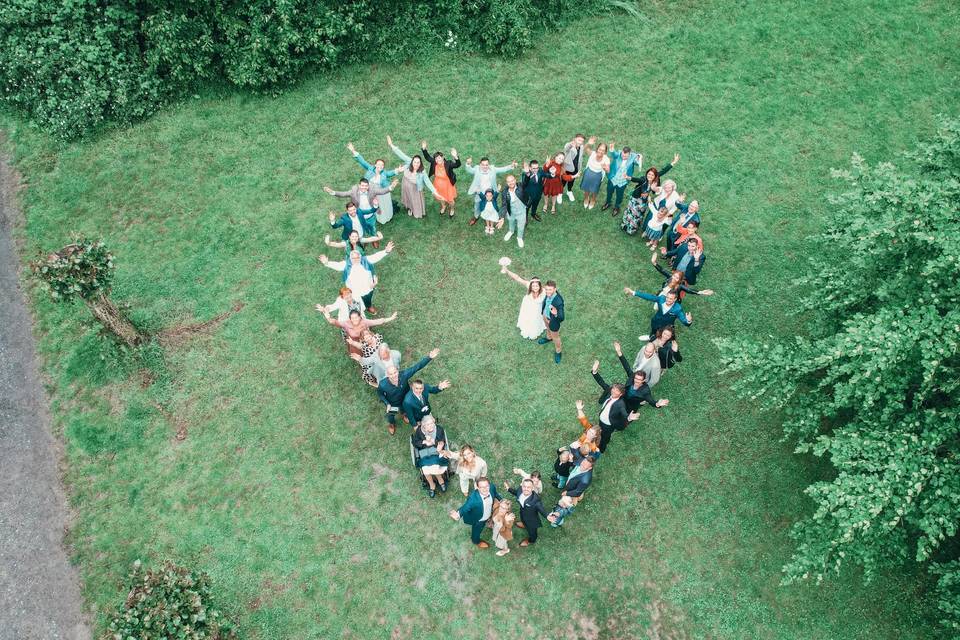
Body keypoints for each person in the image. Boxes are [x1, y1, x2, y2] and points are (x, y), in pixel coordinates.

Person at [376, 348, 440, 435]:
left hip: (406, 399)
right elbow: (380, 394)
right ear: (387, 375)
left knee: (406, 410)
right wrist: (387, 403)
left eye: (395, 372)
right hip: (393, 403)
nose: (394, 375)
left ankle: (404, 415)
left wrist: (429, 357)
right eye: (391, 374)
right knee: (391, 415)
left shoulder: (404, 375)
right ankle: (391, 424)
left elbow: (417, 367)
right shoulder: (383, 384)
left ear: (398, 371)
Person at [318, 242, 395, 314]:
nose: (355, 260)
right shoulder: (346, 265)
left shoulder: (366, 260)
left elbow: (376, 256)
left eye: (357, 257)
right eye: (353, 258)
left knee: (368, 298)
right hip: (354, 292)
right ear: (350, 259)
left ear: (360, 257)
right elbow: (337, 265)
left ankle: (369, 306)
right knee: (356, 304)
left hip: (368, 288)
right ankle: (359, 312)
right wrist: (327, 263)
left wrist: (386, 251)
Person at [387, 136, 446, 218]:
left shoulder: (422, 172)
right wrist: (391, 145)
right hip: (406, 184)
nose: (416, 164)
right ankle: (409, 208)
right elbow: (401, 154)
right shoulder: (409, 162)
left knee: (415, 201)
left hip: (415, 189)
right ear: (412, 161)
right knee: (408, 198)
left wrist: (436, 193)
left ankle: (416, 211)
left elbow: (428, 183)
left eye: (418, 163)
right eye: (415, 162)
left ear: (420, 163)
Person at [324, 178, 399, 242]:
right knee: (361, 229)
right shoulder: (354, 192)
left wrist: (391, 187)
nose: (364, 187)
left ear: (368, 186)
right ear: (359, 185)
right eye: (362, 185)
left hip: (371, 215)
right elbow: (343, 194)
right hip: (359, 215)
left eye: (366, 186)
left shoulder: (372, 191)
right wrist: (332, 192)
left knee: (372, 228)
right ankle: (364, 240)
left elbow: (382, 191)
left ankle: (374, 239)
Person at [346, 142, 404, 225]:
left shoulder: (384, 173)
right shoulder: (370, 169)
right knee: (375, 205)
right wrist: (353, 150)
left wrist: (398, 170)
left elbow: (391, 173)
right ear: (375, 164)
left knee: (385, 205)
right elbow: (362, 161)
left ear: (383, 167)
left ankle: (387, 216)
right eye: (379, 164)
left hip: (382, 193)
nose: (380, 166)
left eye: (382, 165)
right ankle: (379, 218)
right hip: (372, 192)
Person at [588, 367, 641, 453]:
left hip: (608, 425)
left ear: (620, 394)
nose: (613, 391)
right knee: (598, 432)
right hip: (601, 421)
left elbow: (624, 414)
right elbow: (602, 383)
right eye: (613, 389)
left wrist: (629, 418)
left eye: (616, 391)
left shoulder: (620, 404)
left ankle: (601, 449)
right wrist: (594, 372)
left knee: (605, 438)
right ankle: (598, 438)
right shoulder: (610, 392)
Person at [622, 156, 679, 234]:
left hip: (643, 201)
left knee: (638, 215)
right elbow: (635, 179)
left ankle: (632, 229)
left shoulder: (656, 181)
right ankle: (625, 224)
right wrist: (627, 177)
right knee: (631, 212)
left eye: (652, 175)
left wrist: (673, 162)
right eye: (649, 174)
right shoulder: (643, 179)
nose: (650, 176)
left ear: (655, 176)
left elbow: (664, 170)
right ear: (647, 174)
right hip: (636, 198)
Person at [611, 341, 670, 409]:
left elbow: (651, 401)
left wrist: (657, 404)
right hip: (625, 396)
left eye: (639, 380)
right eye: (636, 379)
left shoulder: (645, 390)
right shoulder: (631, 378)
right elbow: (626, 365)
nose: (636, 381)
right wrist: (619, 352)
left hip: (632, 404)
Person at [449, 477, 503, 549]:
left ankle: (489, 522)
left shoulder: (492, 487)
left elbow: (495, 494)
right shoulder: (473, 499)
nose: (485, 489)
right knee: (476, 531)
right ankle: (475, 541)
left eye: (487, 486)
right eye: (482, 487)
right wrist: (458, 514)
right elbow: (465, 508)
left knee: (488, 519)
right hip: (479, 519)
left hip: (488, 513)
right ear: (477, 488)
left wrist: (502, 500)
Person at [320, 309, 397, 357]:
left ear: (360, 317)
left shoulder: (364, 322)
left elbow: (378, 321)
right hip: (354, 342)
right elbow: (334, 322)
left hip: (367, 339)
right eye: (352, 318)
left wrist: (391, 318)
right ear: (350, 319)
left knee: (372, 351)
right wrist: (328, 317)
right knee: (358, 354)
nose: (355, 319)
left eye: (356, 317)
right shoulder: (346, 323)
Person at [464, 156, 516, 225]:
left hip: (490, 193)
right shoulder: (477, 169)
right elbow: (469, 170)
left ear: (489, 165)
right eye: (483, 165)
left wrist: (511, 166)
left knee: (491, 205)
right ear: (480, 165)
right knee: (477, 205)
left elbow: (503, 169)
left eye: (486, 165)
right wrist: (468, 163)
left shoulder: (493, 169)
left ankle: (489, 216)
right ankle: (476, 216)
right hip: (479, 192)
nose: (485, 167)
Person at [500, 265, 547, 340]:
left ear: (540, 286)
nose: (535, 288)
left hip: (537, 309)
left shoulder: (544, 292)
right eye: (533, 286)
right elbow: (517, 278)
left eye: (537, 286)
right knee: (527, 318)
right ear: (531, 286)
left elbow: (553, 296)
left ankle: (534, 331)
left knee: (535, 320)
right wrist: (507, 270)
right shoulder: (528, 285)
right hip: (528, 305)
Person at [624, 287, 693, 335]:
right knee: (653, 331)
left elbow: (685, 322)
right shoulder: (661, 299)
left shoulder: (678, 308)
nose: (668, 300)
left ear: (675, 299)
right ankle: (651, 336)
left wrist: (688, 321)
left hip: (666, 327)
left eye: (671, 299)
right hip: (655, 321)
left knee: (662, 337)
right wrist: (633, 292)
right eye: (667, 297)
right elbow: (649, 297)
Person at [504, 478, 550, 547]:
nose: (526, 489)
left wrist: (547, 516)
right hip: (523, 513)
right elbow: (516, 493)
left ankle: (531, 540)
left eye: (528, 487)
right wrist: (508, 489)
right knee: (523, 520)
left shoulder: (535, 500)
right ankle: (524, 524)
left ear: (532, 488)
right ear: (522, 486)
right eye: (524, 486)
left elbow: (541, 509)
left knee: (532, 532)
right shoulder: (520, 490)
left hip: (532, 520)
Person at [420, 141, 461, 217]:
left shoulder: (448, 164)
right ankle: (443, 206)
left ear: (442, 157)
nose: (438, 160)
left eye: (439, 158)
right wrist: (424, 149)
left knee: (450, 200)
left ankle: (452, 209)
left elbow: (457, 165)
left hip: (447, 185)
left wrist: (456, 157)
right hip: (437, 184)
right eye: (436, 159)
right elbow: (427, 157)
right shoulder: (434, 162)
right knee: (440, 197)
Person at [411, 415, 449, 497]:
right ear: (423, 425)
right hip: (425, 455)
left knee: (434, 466)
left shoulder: (439, 429)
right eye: (428, 424)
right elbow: (415, 442)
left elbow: (442, 442)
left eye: (432, 423)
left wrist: (433, 441)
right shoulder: (419, 431)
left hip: (436, 453)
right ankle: (433, 483)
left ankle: (439, 480)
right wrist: (424, 442)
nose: (431, 426)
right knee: (425, 469)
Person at [602, 144, 641, 217]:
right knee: (609, 192)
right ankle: (608, 202)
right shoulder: (619, 154)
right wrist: (612, 149)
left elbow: (638, 162)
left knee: (619, 195)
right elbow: (614, 154)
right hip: (613, 179)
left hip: (622, 182)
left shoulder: (633, 157)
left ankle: (617, 207)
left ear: (629, 154)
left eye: (625, 156)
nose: (623, 157)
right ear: (622, 152)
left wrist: (639, 157)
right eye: (623, 155)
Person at [538, 280, 565, 364]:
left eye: (550, 290)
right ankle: (548, 338)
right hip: (545, 315)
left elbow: (562, 317)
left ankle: (558, 351)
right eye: (546, 289)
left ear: (555, 289)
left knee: (556, 337)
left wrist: (556, 313)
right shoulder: (548, 294)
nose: (547, 291)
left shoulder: (558, 301)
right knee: (547, 328)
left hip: (553, 321)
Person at [500, 174, 529, 248]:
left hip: (521, 211)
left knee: (521, 226)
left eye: (512, 180)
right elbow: (504, 205)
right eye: (509, 181)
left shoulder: (520, 186)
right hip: (511, 212)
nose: (511, 183)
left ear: (515, 180)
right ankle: (511, 231)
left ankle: (519, 237)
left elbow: (526, 181)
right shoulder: (504, 192)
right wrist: (502, 217)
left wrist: (527, 174)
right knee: (511, 222)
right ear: (507, 183)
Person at [579, 141, 610, 210]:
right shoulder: (593, 153)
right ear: (597, 149)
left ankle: (593, 200)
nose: (601, 151)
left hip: (598, 176)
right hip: (588, 173)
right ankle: (586, 198)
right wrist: (589, 143)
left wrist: (605, 168)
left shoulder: (606, 159)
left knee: (594, 190)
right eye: (600, 149)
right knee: (586, 188)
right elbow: (584, 148)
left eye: (603, 150)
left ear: (605, 152)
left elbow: (608, 170)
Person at [563, 134, 593, 202]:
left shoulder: (581, 147)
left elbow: (583, 147)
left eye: (582, 141)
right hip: (567, 168)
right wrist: (571, 144)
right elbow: (566, 148)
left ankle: (569, 191)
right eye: (579, 140)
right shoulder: (569, 145)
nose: (580, 142)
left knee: (571, 181)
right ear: (575, 139)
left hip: (575, 168)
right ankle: (559, 193)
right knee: (563, 181)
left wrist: (588, 143)